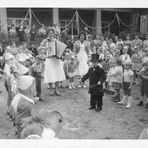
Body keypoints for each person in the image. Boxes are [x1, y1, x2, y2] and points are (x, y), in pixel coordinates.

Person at [38, 29, 66, 96]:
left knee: (57, 74)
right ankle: (51, 89)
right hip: (49, 59)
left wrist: (60, 54)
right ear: (47, 34)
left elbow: (60, 48)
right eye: (49, 33)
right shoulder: (45, 41)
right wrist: (45, 49)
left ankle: (56, 89)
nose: (51, 34)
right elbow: (39, 49)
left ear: (53, 34)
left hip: (56, 59)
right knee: (50, 74)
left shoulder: (56, 40)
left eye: (52, 33)